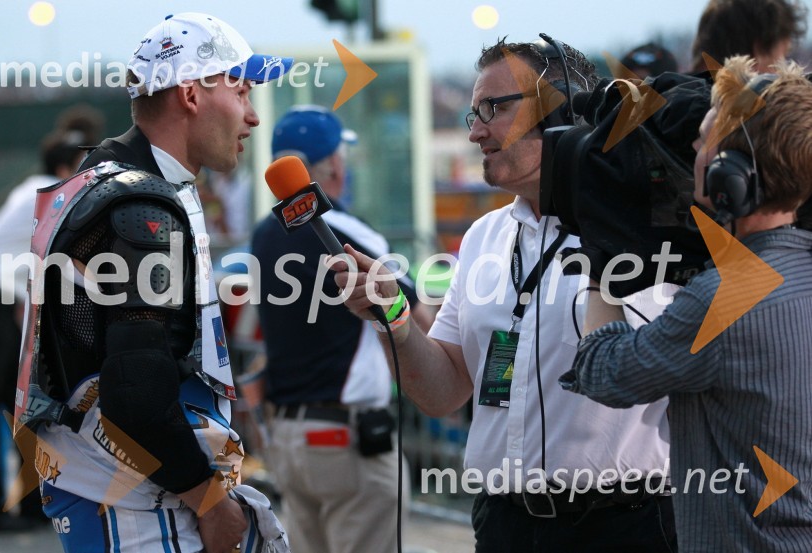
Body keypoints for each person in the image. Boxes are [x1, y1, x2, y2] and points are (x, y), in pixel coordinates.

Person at [332, 38, 676, 552]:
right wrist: (393, 318)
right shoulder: (483, 237)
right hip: (503, 526)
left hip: (624, 527)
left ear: (560, 111)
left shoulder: (645, 229)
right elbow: (444, 392)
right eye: (473, 113)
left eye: (493, 109)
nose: (475, 131)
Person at [15, 13, 293, 553]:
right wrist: (210, 501)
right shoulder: (143, 205)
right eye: (241, 91)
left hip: (103, 488)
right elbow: (136, 395)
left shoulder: (100, 177)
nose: (253, 115)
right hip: (132, 504)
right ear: (191, 95)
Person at [561, 56, 812, 552]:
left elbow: (601, 371)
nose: (693, 150)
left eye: (702, 139)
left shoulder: (726, 300)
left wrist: (601, 265)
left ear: (731, 175)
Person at [251, 105, 433, 553]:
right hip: (348, 440)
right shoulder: (348, 231)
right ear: (333, 163)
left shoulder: (263, 234)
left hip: (289, 438)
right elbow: (418, 318)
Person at [0, 128, 85, 531]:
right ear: (63, 168)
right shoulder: (52, 193)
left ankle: (29, 503)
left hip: (0, 301)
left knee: (20, 404)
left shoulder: (32, 189)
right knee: (4, 405)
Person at [690, 0, 808, 73]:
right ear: (759, 50)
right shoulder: (743, 106)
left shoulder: (682, 96)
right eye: (783, 56)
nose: (785, 70)